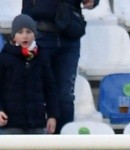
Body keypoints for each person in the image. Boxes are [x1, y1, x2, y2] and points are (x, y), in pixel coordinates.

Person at [21, 0, 95, 133]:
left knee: (65, 98)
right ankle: (32, 148)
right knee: (33, 92)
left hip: (69, 35)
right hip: (38, 33)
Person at [0, 15, 58, 135]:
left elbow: (50, 88)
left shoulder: (42, 57)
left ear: (34, 34)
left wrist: (52, 115)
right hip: (11, 123)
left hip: (36, 122)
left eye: (29, 31)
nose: (25, 35)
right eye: (20, 32)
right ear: (14, 36)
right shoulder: (4, 58)